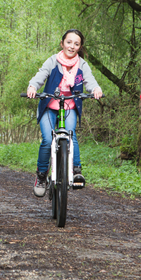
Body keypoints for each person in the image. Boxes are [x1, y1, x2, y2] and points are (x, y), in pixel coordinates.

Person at [26, 29, 103, 197]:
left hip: (69, 106)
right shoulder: (53, 61)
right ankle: (41, 176)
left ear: (80, 46)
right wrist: (33, 86)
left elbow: (89, 80)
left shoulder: (81, 64)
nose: (72, 46)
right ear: (62, 44)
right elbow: (41, 74)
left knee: (70, 135)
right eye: (69, 42)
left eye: (76, 44)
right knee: (47, 140)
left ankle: (76, 170)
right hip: (49, 105)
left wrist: (96, 89)